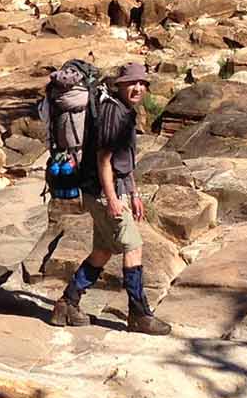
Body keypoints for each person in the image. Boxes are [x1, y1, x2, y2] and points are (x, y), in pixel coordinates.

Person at [48, 61, 172, 336]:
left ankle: (67, 304)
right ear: (121, 86)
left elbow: (124, 160)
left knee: (103, 251)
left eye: (142, 84)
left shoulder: (121, 110)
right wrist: (113, 198)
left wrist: (134, 193)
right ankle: (139, 314)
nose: (138, 88)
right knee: (134, 246)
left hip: (100, 190)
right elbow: (104, 160)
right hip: (104, 192)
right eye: (132, 84)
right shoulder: (115, 114)